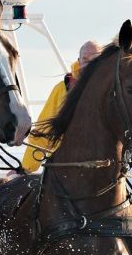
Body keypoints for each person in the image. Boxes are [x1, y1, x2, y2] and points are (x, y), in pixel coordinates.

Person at [21, 39, 101, 172]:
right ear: (79, 60)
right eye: (85, 59)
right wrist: (25, 168)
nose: (88, 64)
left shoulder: (114, 90)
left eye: (94, 60)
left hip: (104, 167)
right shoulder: (63, 89)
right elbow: (42, 132)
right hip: (67, 167)